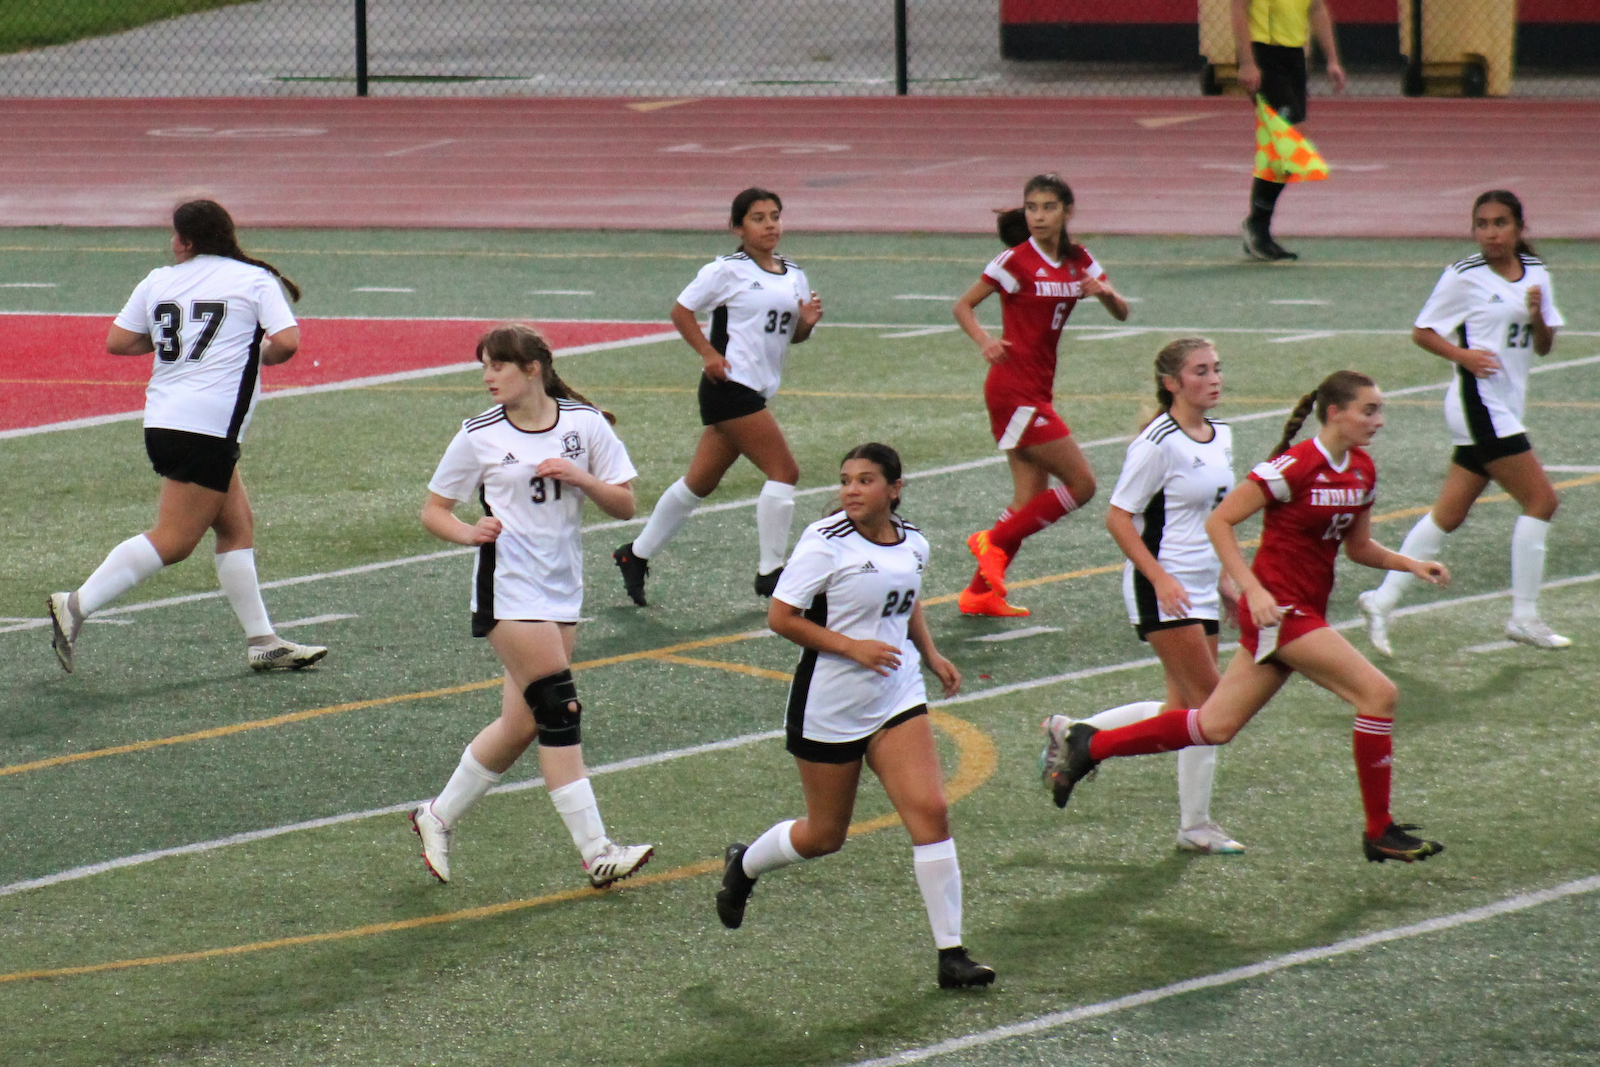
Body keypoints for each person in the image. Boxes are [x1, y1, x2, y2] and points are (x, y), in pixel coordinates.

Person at [1048, 371, 1451, 865]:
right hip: (1282, 613)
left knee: (1214, 725)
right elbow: (1220, 521)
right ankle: (1378, 829)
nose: (1379, 420)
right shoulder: (1294, 466)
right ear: (1335, 414)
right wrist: (1252, 589)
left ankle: (1091, 744)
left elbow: (1359, 546)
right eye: (1369, 410)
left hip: (1300, 612)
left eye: (1379, 410)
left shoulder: (1362, 469)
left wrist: (1410, 564)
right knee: (1378, 694)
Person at [714, 443, 994, 989]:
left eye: (865, 480)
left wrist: (930, 653)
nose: (851, 490)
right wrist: (852, 647)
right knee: (824, 836)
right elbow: (781, 617)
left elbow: (906, 598)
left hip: (896, 694)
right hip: (831, 703)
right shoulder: (824, 542)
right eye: (846, 480)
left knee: (931, 811)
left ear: (895, 488)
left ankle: (952, 954)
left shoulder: (914, 541)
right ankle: (744, 865)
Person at [410, 324, 653, 889]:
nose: (487, 377)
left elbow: (624, 505)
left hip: (562, 589)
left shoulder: (583, 425)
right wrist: (469, 532)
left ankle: (437, 815)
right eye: (484, 366)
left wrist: (580, 477)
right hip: (508, 589)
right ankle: (597, 852)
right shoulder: (478, 434)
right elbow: (433, 511)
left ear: (533, 368)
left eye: (497, 365)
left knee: (520, 725)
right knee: (559, 709)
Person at [46, 199, 326, 674]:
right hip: (207, 427)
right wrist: (252, 353)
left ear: (188, 241)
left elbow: (119, 341)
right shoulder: (254, 279)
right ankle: (75, 603)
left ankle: (262, 641)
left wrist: (181, 343)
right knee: (175, 540)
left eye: (175, 235)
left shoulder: (159, 280)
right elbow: (287, 342)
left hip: (164, 419)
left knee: (236, 527)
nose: (171, 243)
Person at [1041, 338, 1244, 854]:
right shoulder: (1157, 442)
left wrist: (1224, 579)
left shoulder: (1221, 434)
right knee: (1212, 708)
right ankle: (1193, 825)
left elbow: (1215, 517)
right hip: (1163, 589)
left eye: (1217, 369)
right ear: (1172, 383)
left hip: (1199, 586)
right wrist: (1160, 579)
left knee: (1182, 710)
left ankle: (1078, 732)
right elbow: (1118, 518)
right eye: (1201, 371)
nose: (1214, 379)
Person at [1359, 191, 1568, 652]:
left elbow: (1544, 345)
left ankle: (1381, 599)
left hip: (1506, 404)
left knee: (1449, 515)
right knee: (1541, 501)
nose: (1491, 232)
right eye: (1482, 224)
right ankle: (1524, 616)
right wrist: (1463, 356)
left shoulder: (1536, 273)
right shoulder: (1464, 275)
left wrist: (1537, 316)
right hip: (1478, 403)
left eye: (1500, 222)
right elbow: (1422, 332)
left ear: (1519, 227)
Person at [613, 187, 823, 605]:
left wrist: (807, 323)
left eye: (775, 216)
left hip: (755, 389)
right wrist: (708, 353)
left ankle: (634, 554)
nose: (770, 225)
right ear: (737, 227)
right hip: (729, 387)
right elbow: (681, 311)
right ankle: (771, 572)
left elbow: (791, 336)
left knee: (698, 484)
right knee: (784, 472)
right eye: (758, 218)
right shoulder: (727, 270)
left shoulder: (794, 274)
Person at [954, 174, 1131, 618]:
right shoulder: (1015, 260)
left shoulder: (1078, 259)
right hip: (1013, 389)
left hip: (1037, 389)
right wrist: (985, 341)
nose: (1038, 216)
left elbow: (1122, 312)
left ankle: (978, 595)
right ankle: (990, 542)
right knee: (1083, 485)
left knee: (1027, 500)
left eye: (1048, 207)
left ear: (1067, 212)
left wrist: (1104, 292)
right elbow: (963, 305)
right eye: (1032, 207)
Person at [1232, 0, 1346, 261]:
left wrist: (1332, 60)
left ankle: (1258, 227)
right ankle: (1257, 225)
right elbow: (1238, 7)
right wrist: (1247, 62)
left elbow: (1316, 8)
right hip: (1263, 54)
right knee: (1292, 142)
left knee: (1281, 152)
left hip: (1294, 57)